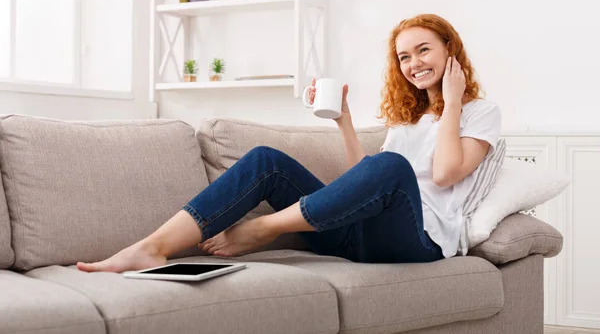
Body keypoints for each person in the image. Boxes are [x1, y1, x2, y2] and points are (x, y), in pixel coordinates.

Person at [77, 14, 500, 273]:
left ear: (450, 51)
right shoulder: (406, 118)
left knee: (391, 166)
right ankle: (153, 247)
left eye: (423, 50)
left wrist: (453, 103)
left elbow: (445, 174)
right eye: (404, 57)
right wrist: (345, 122)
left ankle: (261, 229)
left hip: (417, 242)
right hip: (354, 236)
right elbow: (361, 181)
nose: (413, 64)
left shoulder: (479, 111)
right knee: (267, 161)